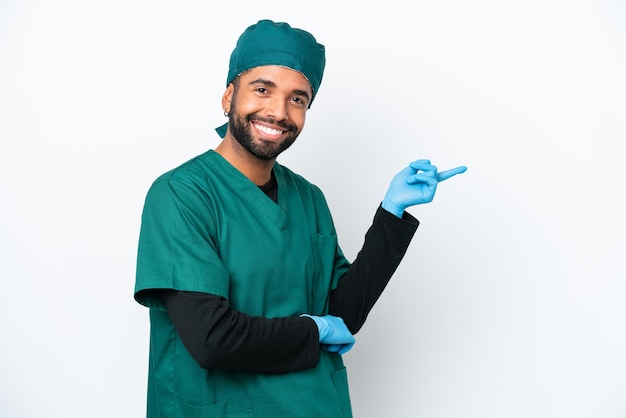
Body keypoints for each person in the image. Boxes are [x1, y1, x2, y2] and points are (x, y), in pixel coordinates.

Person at [134, 19, 467, 418]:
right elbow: (211, 338)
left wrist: (392, 215)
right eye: (262, 89)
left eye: (298, 99)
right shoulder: (181, 195)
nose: (278, 111)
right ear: (228, 96)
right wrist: (316, 330)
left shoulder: (308, 198)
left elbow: (345, 313)